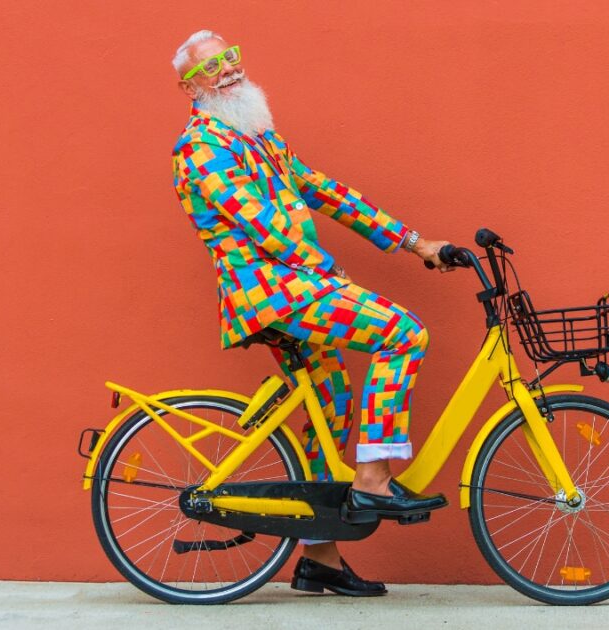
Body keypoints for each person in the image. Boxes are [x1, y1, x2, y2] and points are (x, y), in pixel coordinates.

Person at [170, 30, 450, 597]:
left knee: (332, 408)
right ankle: (372, 479)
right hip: (270, 292)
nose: (226, 69)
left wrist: (412, 241)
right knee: (403, 333)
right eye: (210, 66)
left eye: (231, 57)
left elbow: (324, 191)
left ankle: (318, 559)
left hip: (294, 284)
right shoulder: (200, 148)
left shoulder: (259, 138)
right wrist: (325, 273)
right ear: (189, 87)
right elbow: (266, 227)